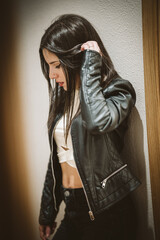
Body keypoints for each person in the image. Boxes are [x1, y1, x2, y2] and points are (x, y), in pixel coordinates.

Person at [38, 14, 141, 240]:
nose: (52, 76)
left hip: (108, 212)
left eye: (56, 65)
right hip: (72, 209)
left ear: (77, 59)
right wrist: (47, 212)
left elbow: (97, 122)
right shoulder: (63, 100)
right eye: (49, 66)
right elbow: (57, 160)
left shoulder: (117, 91)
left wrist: (91, 63)